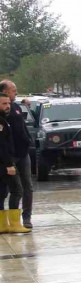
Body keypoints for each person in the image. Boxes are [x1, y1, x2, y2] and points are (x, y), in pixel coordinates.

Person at [0, 81, 34, 229]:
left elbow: (22, 126)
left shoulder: (15, 106)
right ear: (4, 92)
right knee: (9, 188)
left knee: (27, 186)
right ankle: (8, 222)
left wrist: (28, 140)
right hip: (9, 155)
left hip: (23, 153)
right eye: (13, 90)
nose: (16, 92)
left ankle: (26, 217)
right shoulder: (3, 112)